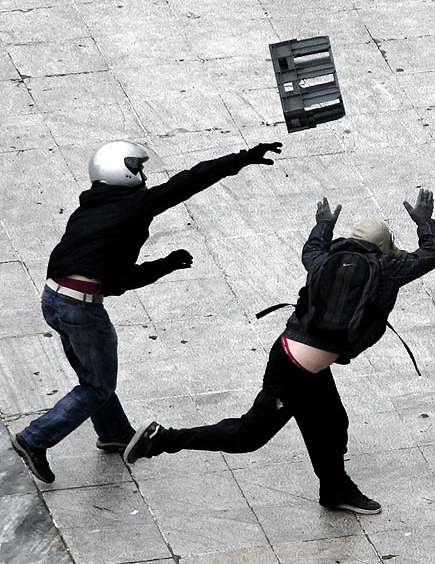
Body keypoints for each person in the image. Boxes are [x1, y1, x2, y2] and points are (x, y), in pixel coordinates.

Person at [123, 190, 435, 515]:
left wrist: (323, 224)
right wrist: (424, 220)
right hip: (295, 372)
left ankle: (335, 490)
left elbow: (312, 246)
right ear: (385, 248)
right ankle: (159, 438)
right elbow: (434, 252)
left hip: (294, 354)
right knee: (248, 436)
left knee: (333, 423)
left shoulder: (322, 260)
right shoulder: (388, 269)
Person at [11, 140, 283, 484]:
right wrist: (242, 158)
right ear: (121, 171)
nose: (143, 175)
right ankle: (34, 439)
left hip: (55, 299)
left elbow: (116, 280)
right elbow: (188, 182)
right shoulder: (135, 206)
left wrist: (164, 265)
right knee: (96, 386)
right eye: (137, 168)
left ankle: (114, 432)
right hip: (81, 307)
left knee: (95, 378)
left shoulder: (90, 209)